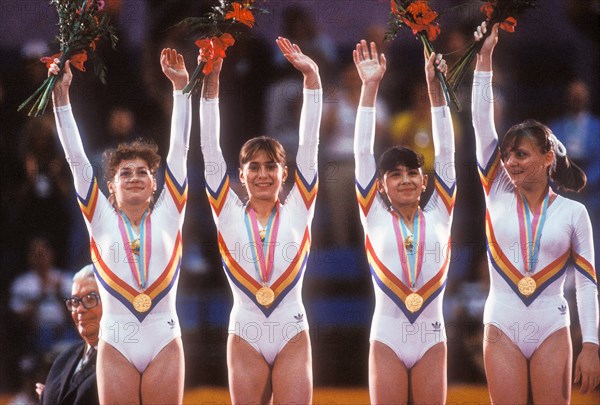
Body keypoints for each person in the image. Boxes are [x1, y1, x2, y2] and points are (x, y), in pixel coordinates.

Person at [49, 47, 191, 404]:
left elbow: (180, 149)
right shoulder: (99, 218)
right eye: (124, 173)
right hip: (116, 344)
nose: (134, 178)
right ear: (109, 185)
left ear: (155, 182)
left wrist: (180, 89)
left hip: (163, 341)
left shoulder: (170, 213)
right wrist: (62, 97)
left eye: (143, 172)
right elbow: (77, 160)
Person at [472, 22, 599, 403]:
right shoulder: (495, 189)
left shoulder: (575, 213)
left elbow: (588, 284)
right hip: (502, 326)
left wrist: (591, 344)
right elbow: (481, 122)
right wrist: (485, 57)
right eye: (507, 155)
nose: (510, 162)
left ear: (548, 159)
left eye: (521, 155)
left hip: (552, 327)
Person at [199, 37, 321, 403]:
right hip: (246, 336)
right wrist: (212, 79)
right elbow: (209, 148)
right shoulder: (227, 210)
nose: (263, 174)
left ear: (285, 173)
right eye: (254, 167)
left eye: (271, 166)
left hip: (292, 335)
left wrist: (312, 79)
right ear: (241, 174)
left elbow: (310, 144)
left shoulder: (301, 207)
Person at [353, 40, 456, 403]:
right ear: (381, 187)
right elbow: (362, 153)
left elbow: (446, 150)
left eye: (412, 173)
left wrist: (433, 87)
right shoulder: (374, 214)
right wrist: (370, 87)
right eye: (395, 175)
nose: (406, 180)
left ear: (425, 181)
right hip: (387, 340)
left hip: (431, 341)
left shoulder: (442, 210)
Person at [36, 264, 102, 405]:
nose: (79, 309)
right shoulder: (64, 358)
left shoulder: (121, 360)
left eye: (90, 299)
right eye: (74, 302)